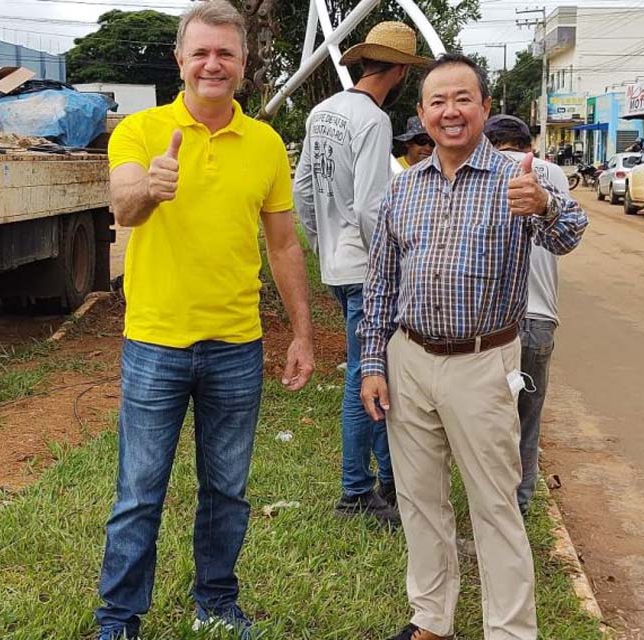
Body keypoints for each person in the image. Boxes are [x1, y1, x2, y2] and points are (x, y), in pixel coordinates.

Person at [96, 2, 314, 638]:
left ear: (243, 65)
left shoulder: (267, 144)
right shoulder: (140, 131)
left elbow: (283, 244)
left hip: (236, 345)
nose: (212, 63)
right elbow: (123, 207)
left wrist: (301, 332)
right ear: (180, 60)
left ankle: (216, 602)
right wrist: (151, 186)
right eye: (201, 52)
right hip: (156, 343)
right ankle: (119, 617)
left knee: (227, 490)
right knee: (139, 492)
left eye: (225, 53)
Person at [358, 53, 588, 640]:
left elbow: (568, 235)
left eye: (463, 99)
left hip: (483, 363)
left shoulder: (517, 182)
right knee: (419, 500)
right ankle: (431, 620)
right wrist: (373, 364)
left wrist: (545, 205)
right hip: (409, 360)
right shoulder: (403, 190)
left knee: (494, 505)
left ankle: (510, 630)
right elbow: (381, 285)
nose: (451, 112)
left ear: (485, 108)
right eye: (438, 101)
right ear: (422, 114)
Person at [295, 21, 429, 525]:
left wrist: (321, 242)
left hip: (335, 264)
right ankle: (355, 490)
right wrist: (386, 266)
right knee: (365, 375)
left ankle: (390, 483)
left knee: (374, 371)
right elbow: (373, 207)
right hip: (366, 267)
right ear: (397, 71)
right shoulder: (373, 121)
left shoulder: (322, 111)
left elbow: (303, 190)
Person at [484, 114, 570, 517]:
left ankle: (490, 509)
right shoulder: (553, 174)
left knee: (487, 424)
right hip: (541, 320)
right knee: (527, 423)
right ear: (528, 146)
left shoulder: (487, 173)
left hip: (496, 322)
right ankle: (517, 509)